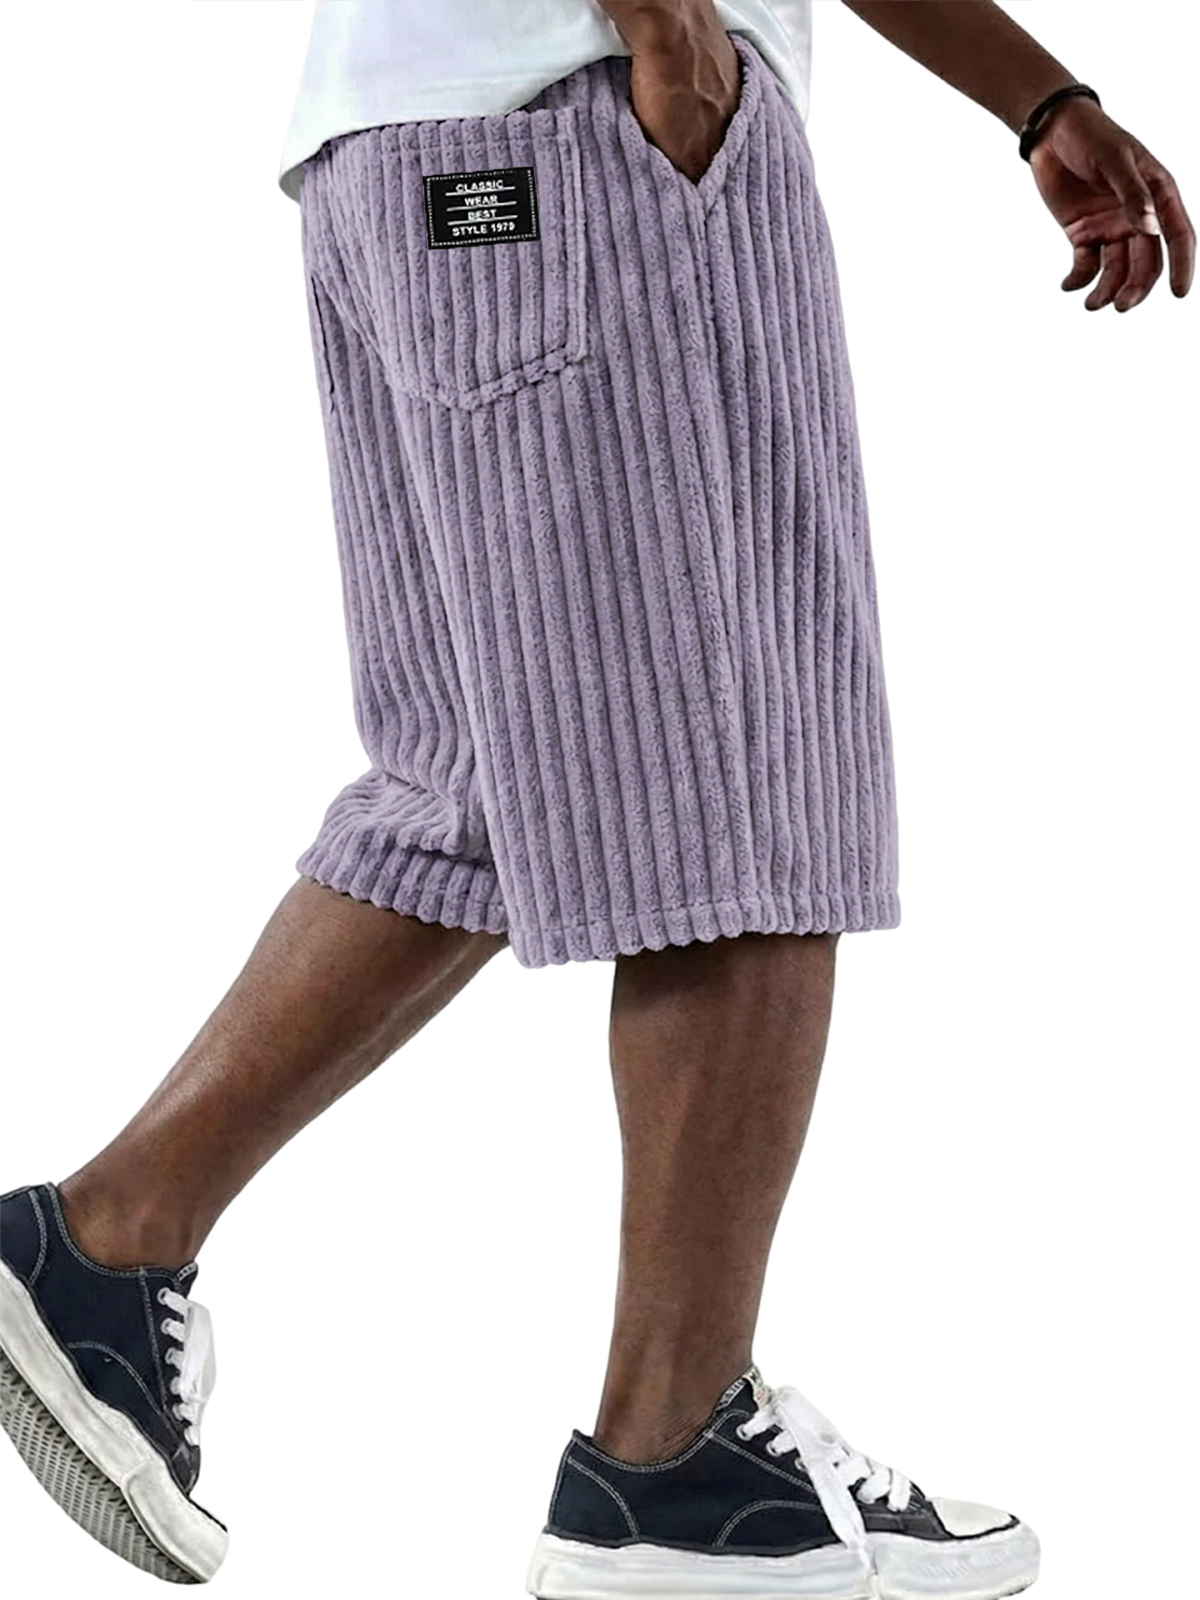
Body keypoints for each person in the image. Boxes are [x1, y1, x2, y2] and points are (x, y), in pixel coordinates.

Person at [0, 1, 1192, 1594]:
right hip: (592, 123)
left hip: (410, 153)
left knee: (475, 791)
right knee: (750, 793)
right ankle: (670, 1462)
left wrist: (1035, 96)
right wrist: (669, 29)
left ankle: (102, 1244)